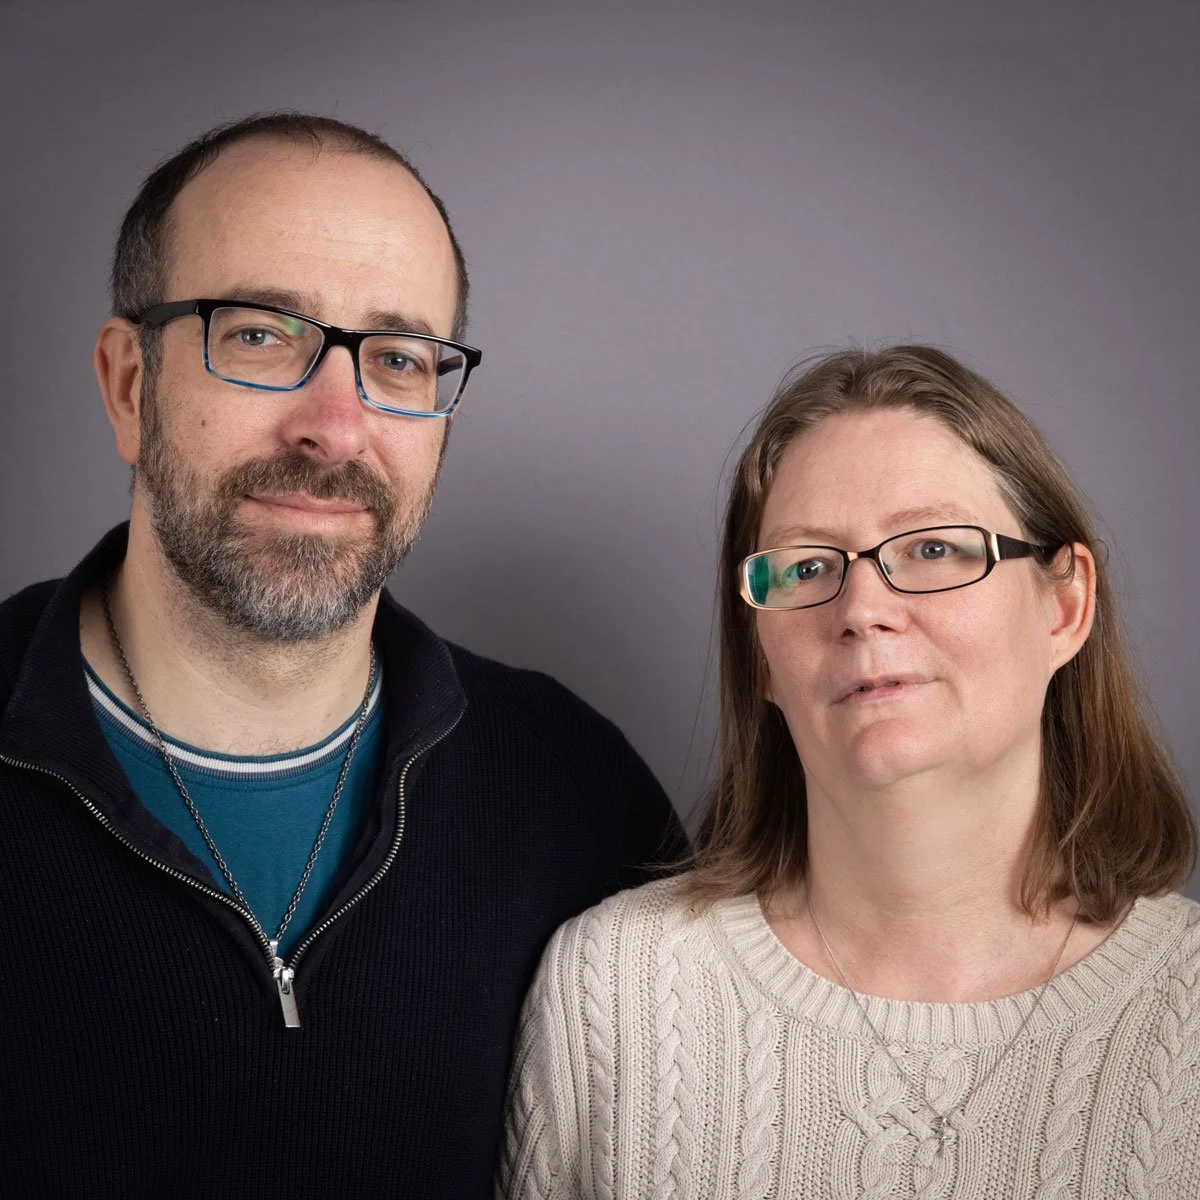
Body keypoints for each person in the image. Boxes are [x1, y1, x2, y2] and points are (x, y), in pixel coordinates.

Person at [0, 112, 683, 1199]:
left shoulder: (577, 796)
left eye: (399, 358)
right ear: (129, 386)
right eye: (263, 335)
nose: (336, 424)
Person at [499, 345, 1199, 1198]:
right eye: (806, 567)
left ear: (1064, 606)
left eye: (936, 549)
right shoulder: (614, 992)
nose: (863, 610)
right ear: (759, 657)